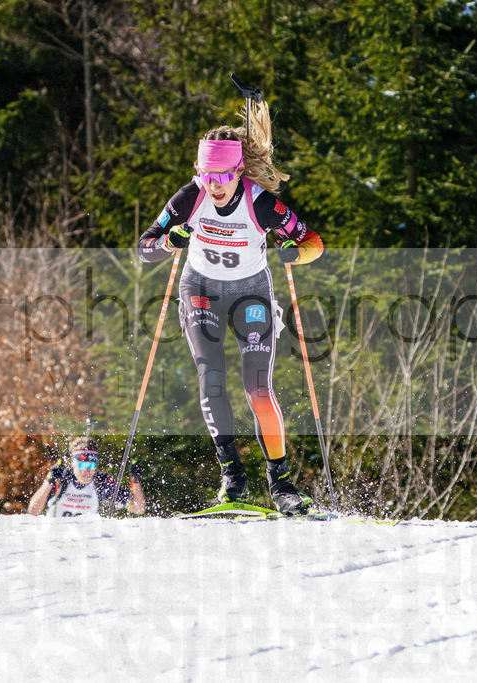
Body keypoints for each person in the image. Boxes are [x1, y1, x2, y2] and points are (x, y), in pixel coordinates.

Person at [137, 100, 324, 515]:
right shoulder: (190, 197)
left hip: (250, 294)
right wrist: (169, 243)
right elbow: (144, 247)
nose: (214, 184)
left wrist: (295, 253)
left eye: (221, 176)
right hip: (200, 287)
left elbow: (314, 243)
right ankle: (232, 476)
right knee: (212, 378)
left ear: (238, 171)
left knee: (258, 388)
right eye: (206, 175)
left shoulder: (261, 203)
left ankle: (282, 485)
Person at [26, 437, 145, 517]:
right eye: (83, 464)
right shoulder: (61, 477)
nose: (87, 470)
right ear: (73, 463)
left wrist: (136, 480)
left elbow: (138, 509)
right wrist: (48, 482)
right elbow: (33, 511)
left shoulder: (101, 482)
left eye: (92, 465)